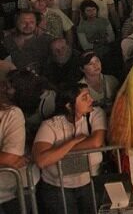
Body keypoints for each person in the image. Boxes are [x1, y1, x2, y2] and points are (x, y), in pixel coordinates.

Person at [33, 83, 106, 214]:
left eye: (89, 95)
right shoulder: (51, 125)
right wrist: (73, 141)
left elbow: (96, 142)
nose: (91, 100)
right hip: (57, 187)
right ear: (68, 105)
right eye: (84, 98)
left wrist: (58, 153)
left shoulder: (95, 114)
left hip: (88, 182)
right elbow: (41, 160)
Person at [0, 79, 37, 214]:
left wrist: (9, 159)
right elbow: (10, 159)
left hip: (12, 189)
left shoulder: (11, 114)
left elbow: (10, 157)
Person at [3, 10, 53, 75]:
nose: (28, 25)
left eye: (31, 22)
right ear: (16, 23)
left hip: (38, 81)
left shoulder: (47, 40)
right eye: (23, 22)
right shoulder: (6, 40)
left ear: (36, 24)